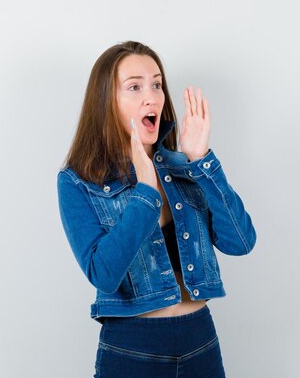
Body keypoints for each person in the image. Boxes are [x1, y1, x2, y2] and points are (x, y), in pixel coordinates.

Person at [57, 41, 256, 378]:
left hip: (200, 341)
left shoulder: (184, 167)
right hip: (133, 349)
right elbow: (104, 275)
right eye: (134, 87)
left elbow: (241, 242)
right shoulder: (78, 181)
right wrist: (146, 192)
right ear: (107, 101)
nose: (152, 97)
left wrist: (201, 161)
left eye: (157, 84)